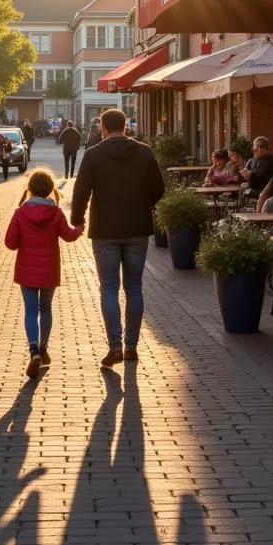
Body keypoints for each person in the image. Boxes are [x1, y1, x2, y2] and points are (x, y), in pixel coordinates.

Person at [71, 109, 165, 367]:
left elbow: (80, 192)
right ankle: (131, 346)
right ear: (126, 127)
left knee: (109, 287)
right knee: (134, 287)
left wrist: (77, 219)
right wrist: (142, 205)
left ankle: (114, 346)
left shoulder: (93, 155)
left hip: (104, 230)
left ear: (102, 127)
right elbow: (159, 188)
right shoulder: (144, 152)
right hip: (137, 228)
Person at [4, 168, 83, 377]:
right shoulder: (56, 213)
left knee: (30, 311)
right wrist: (80, 229)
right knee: (45, 309)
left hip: (26, 270)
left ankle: (33, 350)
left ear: (30, 188)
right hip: (49, 269)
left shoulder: (20, 213)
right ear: (50, 189)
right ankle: (44, 347)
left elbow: (10, 243)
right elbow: (68, 236)